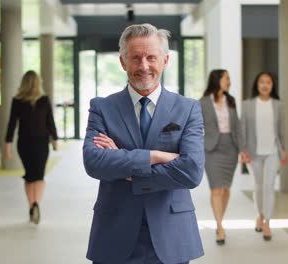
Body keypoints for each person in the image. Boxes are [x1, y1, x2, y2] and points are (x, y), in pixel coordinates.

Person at [83, 23, 204, 264]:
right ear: (123, 62)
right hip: (114, 235)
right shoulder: (102, 108)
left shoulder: (188, 108)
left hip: (172, 235)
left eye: (151, 57)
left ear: (165, 60)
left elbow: (191, 171)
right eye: (135, 58)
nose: (144, 66)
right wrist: (158, 156)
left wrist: (126, 165)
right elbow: (94, 162)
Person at [199, 69, 248, 245]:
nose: (229, 81)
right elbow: (196, 126)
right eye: (226, 78)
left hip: (231, 148)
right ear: (217, 80)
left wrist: (242, 149)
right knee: (216, 189)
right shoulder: (203, 103)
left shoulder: (231, 101)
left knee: (226, 189)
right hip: (211, 149)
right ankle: (219, 226)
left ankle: (220, 219)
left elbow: (238, 128)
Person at [5, 70, 58, 225]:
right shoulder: (44, 100)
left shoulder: (17, 101)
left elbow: (11, 125)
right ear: (37, 83)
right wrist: (55, 140)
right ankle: (37, 204)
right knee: (39, 176)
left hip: (24, 144)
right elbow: (50, 122)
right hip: (41, 143)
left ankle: (31, 205)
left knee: (29, 176)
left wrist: (7, 145)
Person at [241, 72, 287, 241]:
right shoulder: (247, 105)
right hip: (254, 153)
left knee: (269, 186)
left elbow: (281, 129)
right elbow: (242, 130)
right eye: (262, 82)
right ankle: (259, 214)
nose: (265, 85)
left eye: (268, 82)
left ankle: (267, 221)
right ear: (257, 85)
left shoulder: (278, 105)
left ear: (272, 85)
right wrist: (243, 150)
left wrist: (284, 149)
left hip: (273, 152)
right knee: (258, 187)